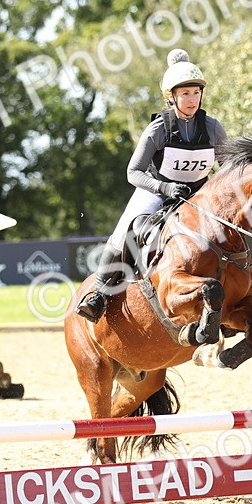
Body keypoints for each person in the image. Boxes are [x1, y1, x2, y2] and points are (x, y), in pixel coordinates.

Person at [75, 48, 229, 322]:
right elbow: (133, 172)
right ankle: (98, 294)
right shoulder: (159, 129)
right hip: (157, 192)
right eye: (185, 93)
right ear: (172, 97)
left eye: (196, 93)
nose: (192, 99)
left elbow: (227, 168)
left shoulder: (213, 128)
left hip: (197, 196)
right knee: (125, 230)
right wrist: (164, 188)